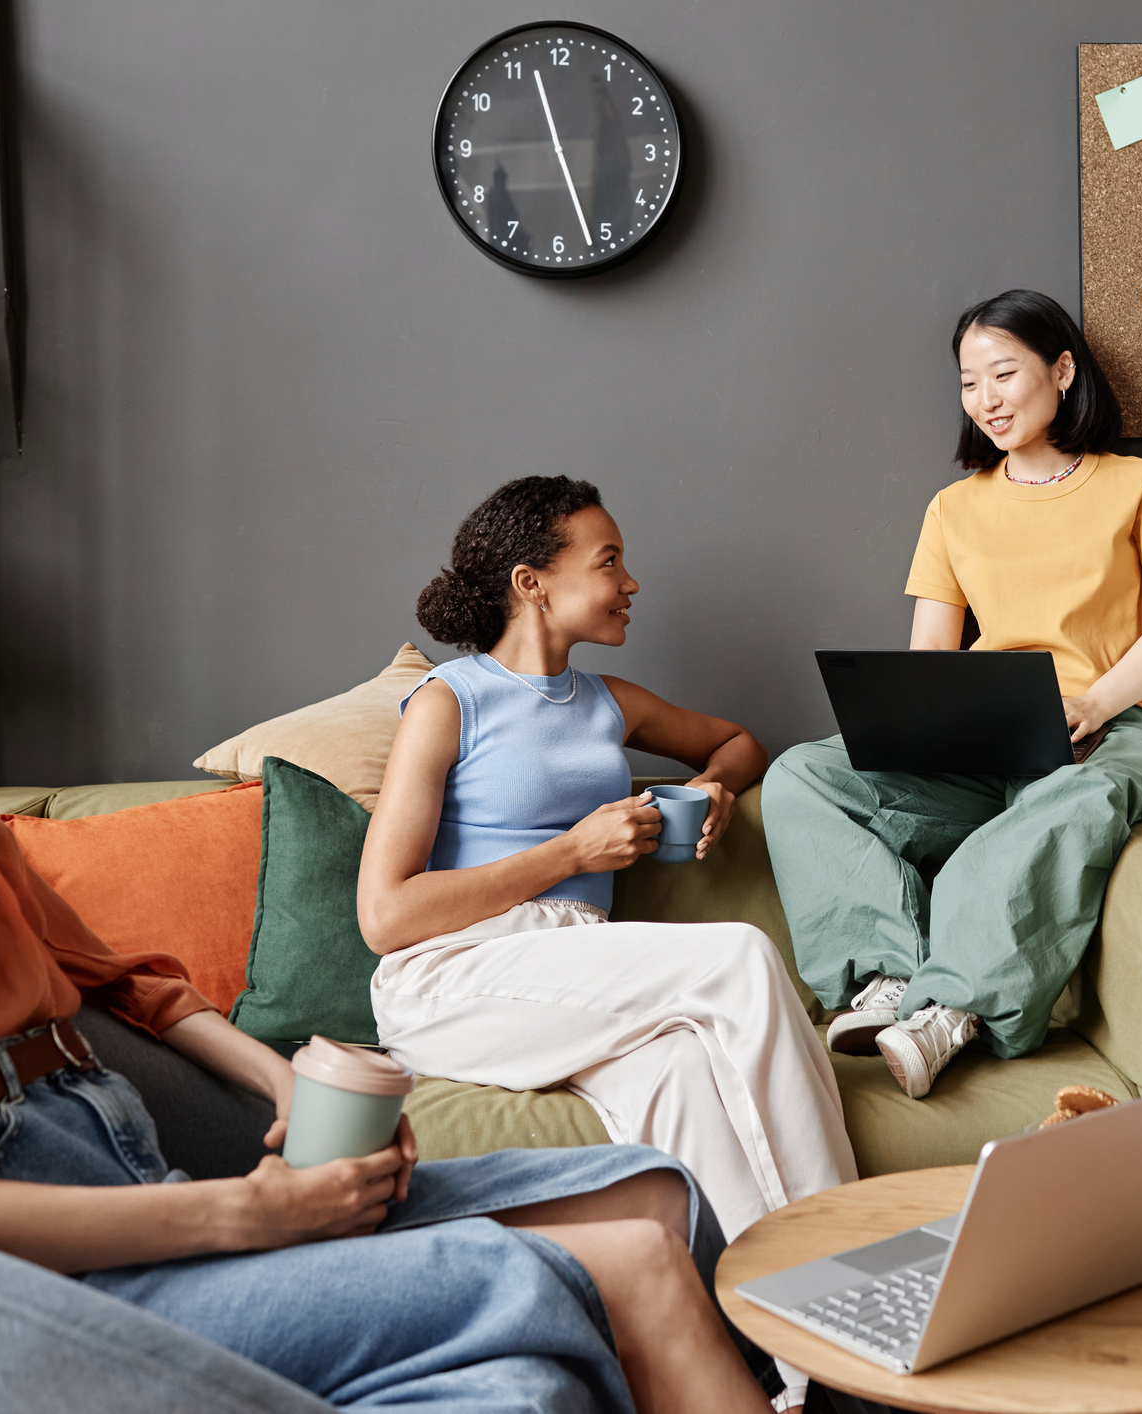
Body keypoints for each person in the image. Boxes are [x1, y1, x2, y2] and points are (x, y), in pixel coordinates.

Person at [0, 333, 786, 1413]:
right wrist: (246, 1214)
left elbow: (109, 970)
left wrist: (286, 1080)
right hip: (38, 1224)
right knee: (628, 1269)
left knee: (653, 1200)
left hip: (124, 1142)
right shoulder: (455, 701)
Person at [356, 477, 858, 1409]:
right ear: (531, 582)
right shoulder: (448, 701)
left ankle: (797, 1377)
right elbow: (385, 916)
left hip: (576, 971)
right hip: (454, 974)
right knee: (741, 955)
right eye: (609, 561)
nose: (632, 582)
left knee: (686, 1077)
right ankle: (859, 1298)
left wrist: (712, 789)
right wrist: (570, 852)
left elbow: (740, 742)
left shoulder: (609, 701)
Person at [763, 289, 1142, 1099]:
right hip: (983, 743)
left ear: (1062, 370)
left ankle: (952, 1009)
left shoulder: (1138, 485)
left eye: (1003, 374)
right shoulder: (954, 507)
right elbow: (930, 653)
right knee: (800, 774)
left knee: (1078, 795)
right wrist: (919, 728)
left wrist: (1097, 703)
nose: (986, 400)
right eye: (969, 383)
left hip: (1113, 732)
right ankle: (887, 984)